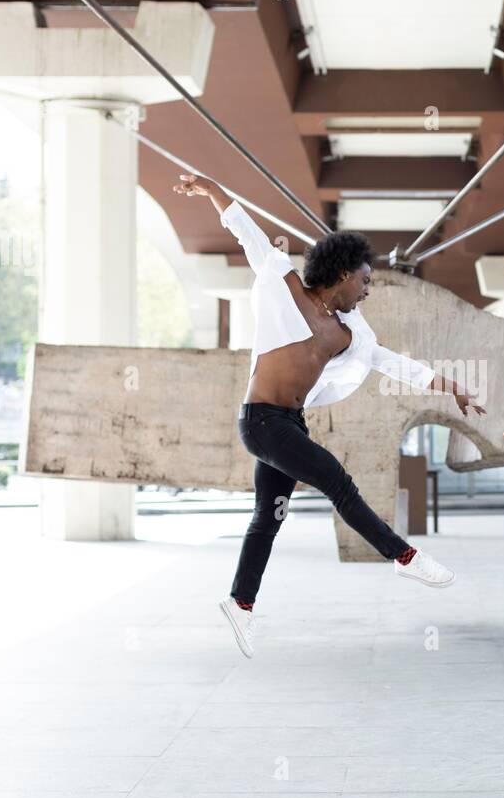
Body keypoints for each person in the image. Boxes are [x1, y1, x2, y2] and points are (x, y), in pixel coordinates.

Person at [174, 173, 485, 658]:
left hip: (288, 423)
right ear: (342, 274)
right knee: (338, 482)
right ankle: (403, 555)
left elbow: (394, 364)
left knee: (267, 517)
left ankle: (240, 602)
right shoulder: (284, 286)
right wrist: (213, 189)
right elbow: (247, 232)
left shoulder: (350, 332)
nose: (367, 291)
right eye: (365, 280)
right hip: (261, 420)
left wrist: (453, 388)